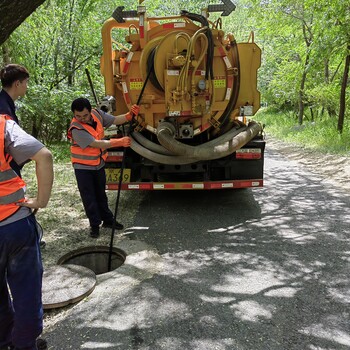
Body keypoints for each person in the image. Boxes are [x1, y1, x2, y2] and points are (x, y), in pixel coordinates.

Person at [0, 114, 54, 350]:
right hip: (12, 224)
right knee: (26, 291)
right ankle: (23, 344)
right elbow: (44, 155)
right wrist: (41, 201)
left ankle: (4, 339)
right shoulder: (3, 126)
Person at [68, 97, 139, 238]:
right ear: (74, 115)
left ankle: (108, 220)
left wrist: (129, 116)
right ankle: (94, 225)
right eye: (78, 116)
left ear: (90, 110)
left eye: (85, 115)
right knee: (89, 197)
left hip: (98, 164)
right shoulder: (76, 128)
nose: (82, 118)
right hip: (83, 168)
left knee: (101, 194)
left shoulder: (97, 114)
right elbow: (96, 143)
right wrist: (119, 141)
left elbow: (114, 120)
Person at [0, 64, 30, 176]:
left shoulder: (6, 103)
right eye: (26, 82)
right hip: (5, 171)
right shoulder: (3, 109)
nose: (27, 86)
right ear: (17, 84)